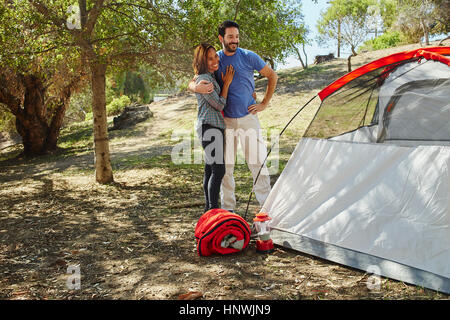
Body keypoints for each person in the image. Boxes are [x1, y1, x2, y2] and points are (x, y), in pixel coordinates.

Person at [189, 20, 278, 213]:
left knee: (258, 164)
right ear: (221, 38)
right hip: (225, 122)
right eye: (230, 37)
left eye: (236, 36)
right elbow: (196, 77)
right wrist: (194, 87)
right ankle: (228, 212)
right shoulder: (215, 60)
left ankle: (268, 213)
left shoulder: (249, 56)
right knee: (226, 170)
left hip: (248, 118)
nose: (234, 40)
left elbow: (272, 76)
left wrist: (264, 103)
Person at [192, 43, 235, 212]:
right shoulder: (204, 80)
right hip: (209, 128)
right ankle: (213, 210)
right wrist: (226, 84)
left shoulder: (209, 77)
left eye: (215, 56)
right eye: (210, 58)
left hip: (213, 127)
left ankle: (208, 211)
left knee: (210, 170)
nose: (215, 60)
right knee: (218, 170)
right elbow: (218, 105)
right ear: (202, 60)